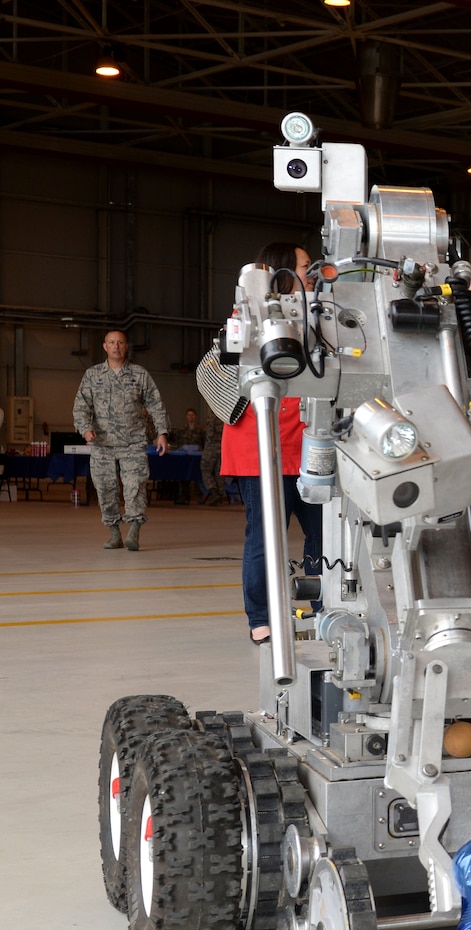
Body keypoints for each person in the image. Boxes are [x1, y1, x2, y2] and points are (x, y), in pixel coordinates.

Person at [221, 242, 325, 644]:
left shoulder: (319, 315)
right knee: (265, 536)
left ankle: (323, 608)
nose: (312, 271)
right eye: (304, 266)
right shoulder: (249, 314)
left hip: (311, 444)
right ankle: (260, 616)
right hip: (260, 445)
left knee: (323, 536)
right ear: (282, 273)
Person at [73, 329, 170, 550]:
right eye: (112, 342)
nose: (116, 346)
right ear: (105, 347)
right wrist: (85, 429)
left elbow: (156, 404)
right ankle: (114, 532)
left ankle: (134, 531)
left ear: (126, 347)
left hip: (133, 442)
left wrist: (161, 433)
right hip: (102, 444)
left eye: (121, 342)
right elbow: (81, 406)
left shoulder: (139, 374)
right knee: (105, 488)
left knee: (135, 486)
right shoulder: (92, 375)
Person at [171, 408, 207, 505]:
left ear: (195, 417)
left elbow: (204, 443)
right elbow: (178, 443)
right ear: (186, 417)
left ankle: (199, 497)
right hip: (185, 457)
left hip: (197, 457)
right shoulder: (182, 429)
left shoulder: (200, 430)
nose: (191, 417)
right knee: (183, 476)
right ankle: (184, 497)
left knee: (198, 476)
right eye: (189, 415)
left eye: (192, 415)